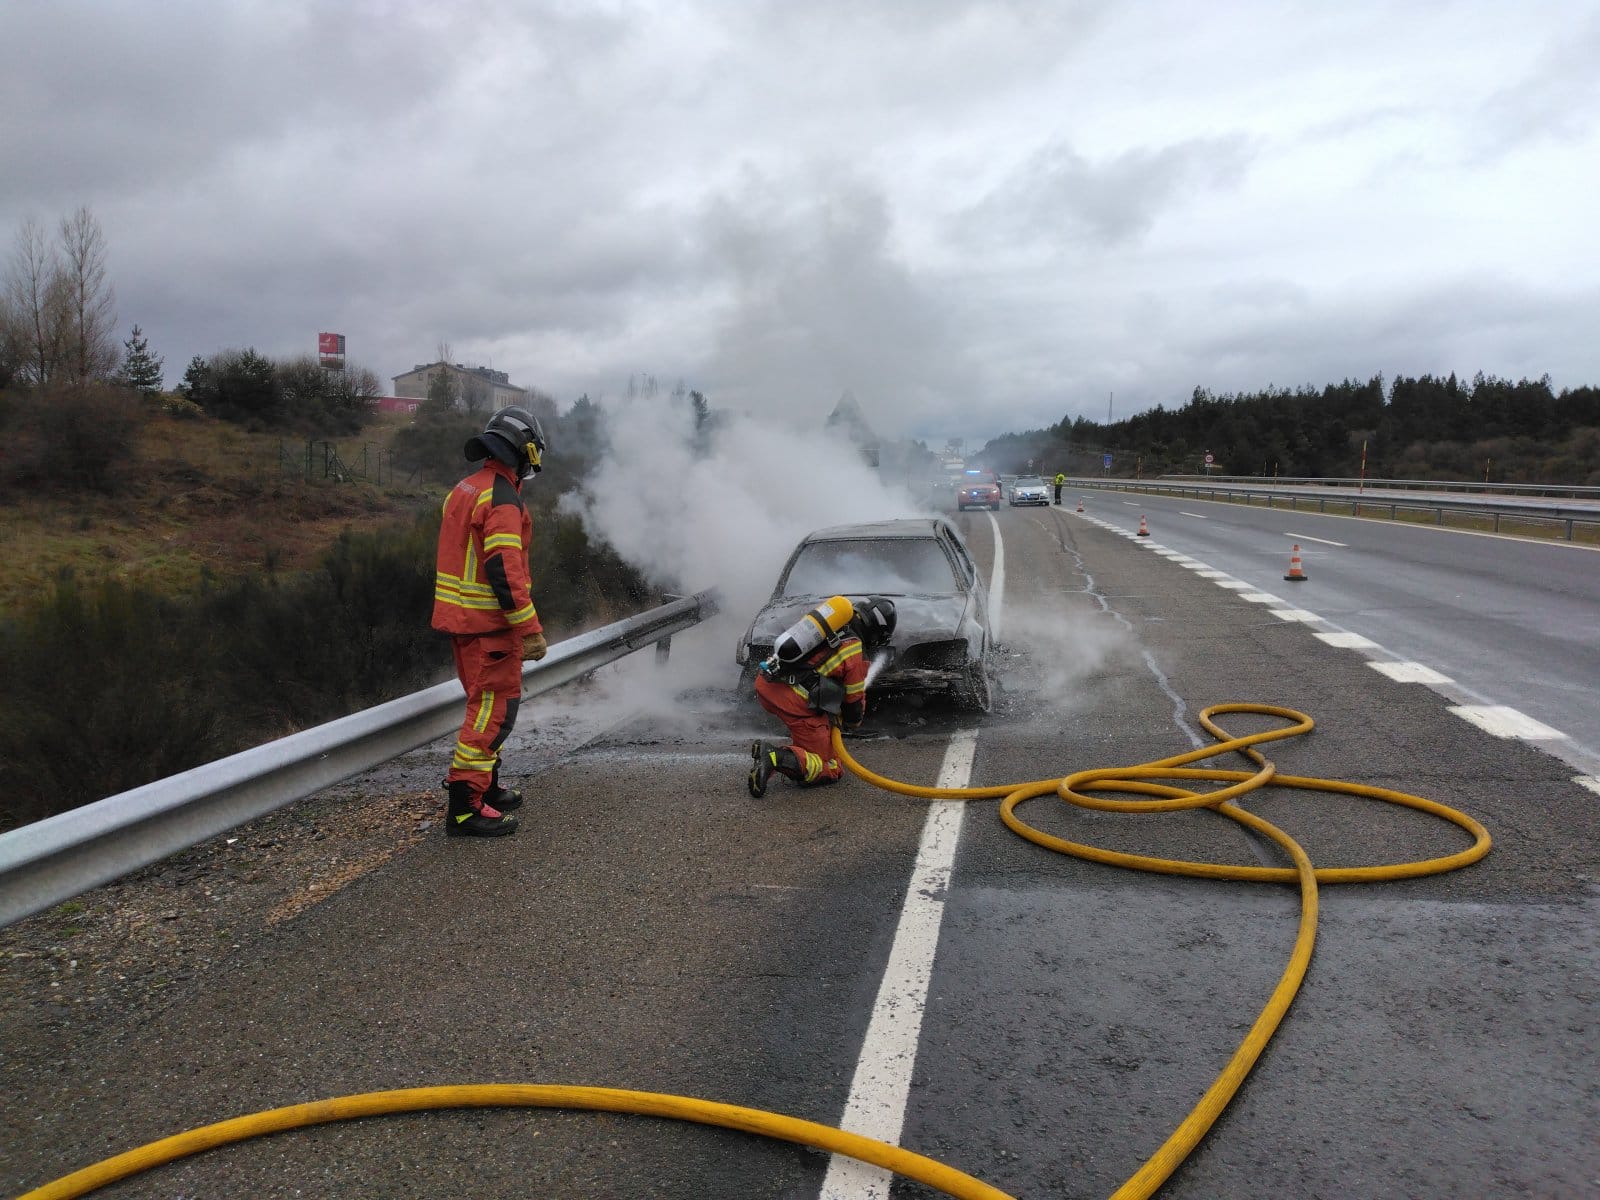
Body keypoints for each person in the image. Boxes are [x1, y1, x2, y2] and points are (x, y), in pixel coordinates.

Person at [431, 406, 549, 837]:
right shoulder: (502, 497)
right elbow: (504, 568)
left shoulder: (466, 488)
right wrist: (529, 628)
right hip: (490, 628)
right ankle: (464, 808)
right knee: (492, 715)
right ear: (526, 451)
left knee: (486, 709)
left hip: (464, 623)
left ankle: (487, 788)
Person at [748, 595, 897, 797]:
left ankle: (797, 746)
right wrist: (851, 722)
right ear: (876, 633)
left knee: (819, 735)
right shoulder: (854, 651)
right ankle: (775, 757)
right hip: (790, 700)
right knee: (831, 766)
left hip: (767, 682)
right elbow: (853, 706)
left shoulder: (831, 625)